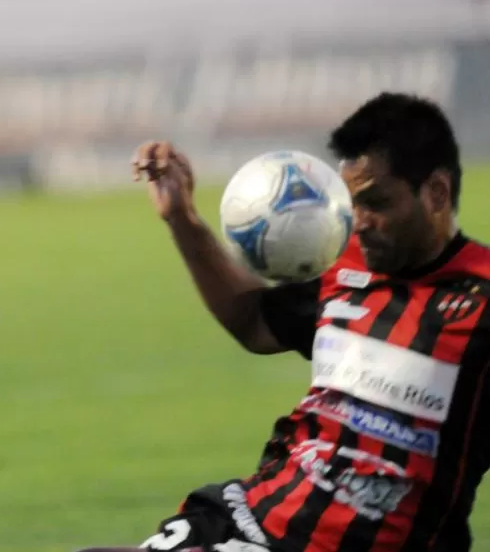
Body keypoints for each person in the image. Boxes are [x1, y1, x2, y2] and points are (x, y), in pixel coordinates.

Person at [83, 93, 490, 551]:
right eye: (352, 202)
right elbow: (254, 321)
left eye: (377, 202)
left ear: (436, 192)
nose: (359, 222)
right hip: (253, 512)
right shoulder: (346, 266)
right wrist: (182, 218)